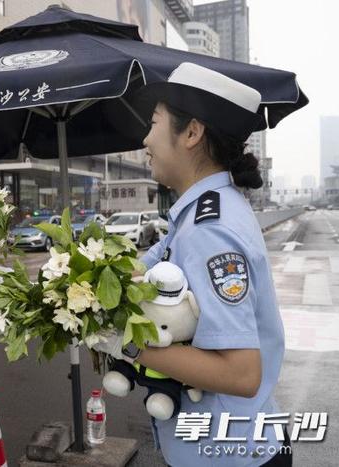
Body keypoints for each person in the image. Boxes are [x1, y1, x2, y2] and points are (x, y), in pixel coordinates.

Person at [94, 63, 291, 466]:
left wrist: (125, 344)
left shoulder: (210, 229)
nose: (145, 138)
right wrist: (75, 279)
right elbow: (139, 272)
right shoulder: (195, 216)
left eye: (154, 123)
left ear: (192, 132)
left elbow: (241, 374)